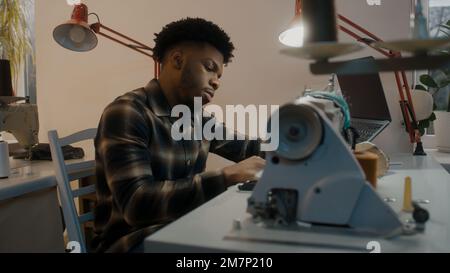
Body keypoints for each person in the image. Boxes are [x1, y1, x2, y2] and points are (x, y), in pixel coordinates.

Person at [92, 17, 266, 253]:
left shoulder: (198, 118)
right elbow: (136, 205)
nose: (216, 82)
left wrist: (304, 144)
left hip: (184, 227)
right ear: (177, 59)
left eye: (219, 76)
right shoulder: (127, 113)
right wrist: (226, 177)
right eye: (210, 67)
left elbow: (249, 148)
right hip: (131, 243)